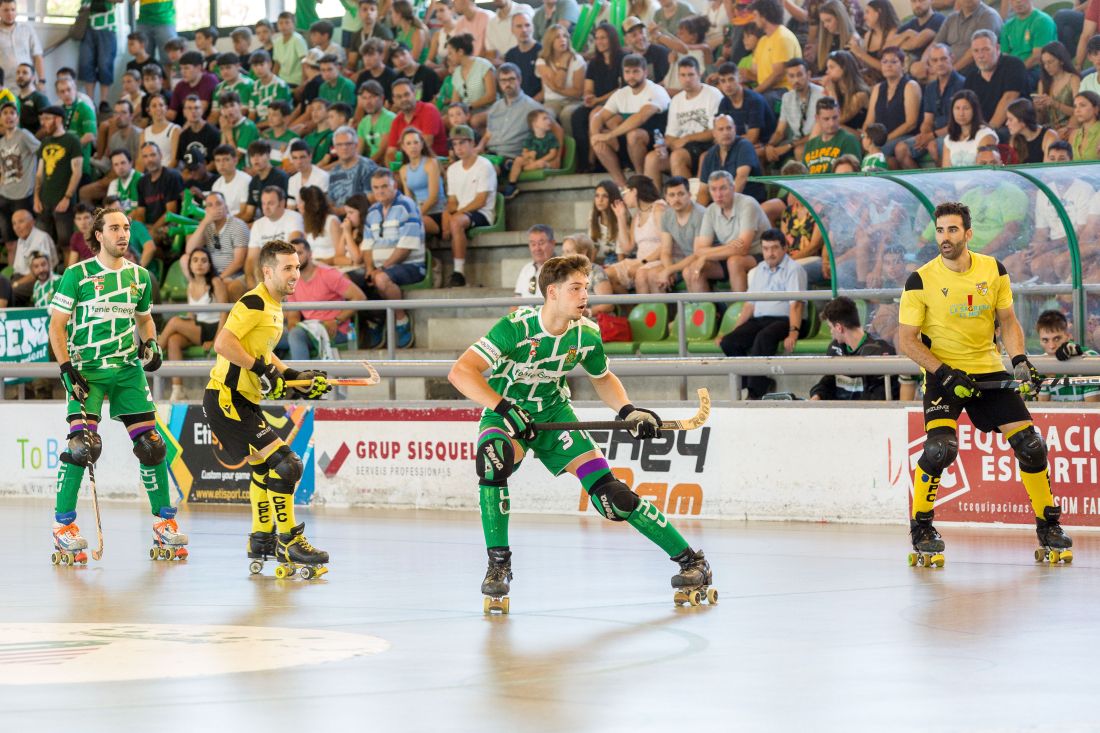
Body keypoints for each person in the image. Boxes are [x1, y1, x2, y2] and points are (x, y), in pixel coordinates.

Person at [447, 253, 715, 608]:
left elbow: (603, 378)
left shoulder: (587, 333)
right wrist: (503, 407)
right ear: (552, 292)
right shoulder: (516, 327)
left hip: (556, 416)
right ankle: (499, 566)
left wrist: (627, 411)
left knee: (611, 498)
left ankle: (693, 562)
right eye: (576, 288)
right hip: (506, 415)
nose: (585, 295)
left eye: (586, 287)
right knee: (493, 461)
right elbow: (461, 372)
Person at [897, 201, 1072, 565]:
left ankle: (1048, 526)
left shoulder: (994, 270)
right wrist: (944, 373)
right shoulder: (920, 279)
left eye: (952, 230)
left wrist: (1020, 360)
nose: (944, 237)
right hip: (943, 374)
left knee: (1032, 446)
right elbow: (907, 340)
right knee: (940, 450)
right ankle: (922, 527)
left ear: (968, 233)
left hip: (989, 370)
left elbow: (1007, 321)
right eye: (940, 230)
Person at [48, 207, 186, 565]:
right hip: (87, 370)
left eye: (126, 228)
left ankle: (164, 523)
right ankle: (63, 528)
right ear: (98, 235)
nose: (123, 234)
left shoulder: (140, 277)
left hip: (126, 370)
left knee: (152, 446)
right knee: (83, 447)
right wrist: (66, 369)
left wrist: (151, 344)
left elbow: (145, 320)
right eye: (114, 228)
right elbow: (57, 327)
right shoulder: (76, 275)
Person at [204, 239, 332, 577]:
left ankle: (262, 539)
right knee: (288, 465)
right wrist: (261, 370)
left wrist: (293, 376)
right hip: (226, 398)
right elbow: (223, 343)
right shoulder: (255, 302)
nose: (295, 274)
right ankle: (289, 540)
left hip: (243, 399)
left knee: (264, 469)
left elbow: (262, 351)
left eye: (298, 267)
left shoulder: (275, 305)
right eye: (288, 268)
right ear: (267, 271)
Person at [719, 228, 807, 397]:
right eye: (766, 249)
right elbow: (749, 306)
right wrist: (734, 330)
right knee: (729, 342)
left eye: (774, 248)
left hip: (786, 320)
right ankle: (756, 382)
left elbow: (796, 305)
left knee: (764, 337)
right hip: (761, 320)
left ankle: (755, 391)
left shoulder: (794, 269)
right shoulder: (759, 269)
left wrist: (793, 332)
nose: (770, 253)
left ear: (784, 248)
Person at [357, 168, 427, 346]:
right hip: (380, 267)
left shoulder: (407, 205)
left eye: (384, 186)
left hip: (410, 265)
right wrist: (370, 268)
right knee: (349, 281)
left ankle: (401, 320)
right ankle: (377, 320)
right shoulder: (372, 211)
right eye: (376, 187)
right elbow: (367, 246)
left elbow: (405, 248)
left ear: (394, 185)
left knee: (381, 279)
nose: (380, 191)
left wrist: (381, 268)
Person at [590, 54, 670, 187]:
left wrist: (610, 135)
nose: (631, 76)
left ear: (645, 72)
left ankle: (640, 179)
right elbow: (599, 117)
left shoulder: (656, 91)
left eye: (635, 71)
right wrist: (595, 136)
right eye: (627, 72)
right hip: (629, 141)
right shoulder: (621, 94)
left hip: (658, 140)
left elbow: (640, 118)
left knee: (634, 134)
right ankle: (623, 186)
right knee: (599, 143)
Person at [159, 247, 228, 401]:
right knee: (173, 340)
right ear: (190, 265)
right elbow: (192, 314)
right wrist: (187, 325)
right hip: (198, 328)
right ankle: (178, 390)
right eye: (195, 260)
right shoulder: (191, 285)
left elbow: (225, 312)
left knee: (174, 321)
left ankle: (154, 351)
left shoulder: (216, 282)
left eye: (204, 261)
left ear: (210, 265)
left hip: (215, 328)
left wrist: (218, 339)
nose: (199, 264)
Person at [282, 238, 366, 359]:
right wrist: (293, 324)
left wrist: (337, 320)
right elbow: (293, 315)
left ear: (310, 254)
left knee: (296, 335)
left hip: (336, 330)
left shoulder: (328, 274)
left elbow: (360, 297)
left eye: (299, 253)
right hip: (308, 329)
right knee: (267, 336)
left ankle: (302, 377)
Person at [643, 57, 720, 188]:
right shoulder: (677, 100)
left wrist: (687, 139)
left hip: (706, 145)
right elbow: (671, 135)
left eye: (691, 74)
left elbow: (716, 132)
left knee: (677, 156)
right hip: (683, 147)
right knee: (652, 158)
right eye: (683, 75)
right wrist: (663, 146)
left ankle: (689, 202)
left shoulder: (713, 94)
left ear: (699, 74)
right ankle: (655, 204)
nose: (687, 79)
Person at [809, 296, 898, 400]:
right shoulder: (835, 348)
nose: (830, 332)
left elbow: (878, 397)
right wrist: (817, 395)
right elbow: (829, 381)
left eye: (830, 327)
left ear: (839, 327)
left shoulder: (879, 351)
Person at [443, 124, 497, 286]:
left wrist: (456, 214)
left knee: (456, 222)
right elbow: (452, 200)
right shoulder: (452, 169)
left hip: (482, 212)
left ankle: (459, 272)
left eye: (462, 143)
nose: (458, 148)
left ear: (472, 143)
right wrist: (447, 214)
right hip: (463, 213)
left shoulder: (484, 165)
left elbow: (481, 200)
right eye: (455, 144)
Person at [896, 43, 965, 168]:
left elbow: (960, 124)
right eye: (935, 60)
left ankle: (942, 185)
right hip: (934, 134)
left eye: (943, 59)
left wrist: (931, 137)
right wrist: (924, 135)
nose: (939, 63)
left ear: (952, 58)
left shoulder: (962, 84)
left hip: (955, 133)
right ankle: (920, 184)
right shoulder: (930, 87)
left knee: (934, 147)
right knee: (901, 149)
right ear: (930, 64)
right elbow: (928, 120)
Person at [572, 22, 624, 172]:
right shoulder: (594, 63)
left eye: (604, 38)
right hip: (598, 102)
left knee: (595, 115)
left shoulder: (623, 58)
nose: (599, 41)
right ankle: (585, 160)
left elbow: (621, 89)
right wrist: (589, 96)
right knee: (577, 116)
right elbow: (588, 87)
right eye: (597, 38)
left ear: (612, 39)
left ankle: (592, 160)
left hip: (617, 102)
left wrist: (598, 100)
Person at [604, 174, 668, 293]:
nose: (623, 198)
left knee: (641, 274)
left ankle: (648, 310)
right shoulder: (637, 215)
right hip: (641, 260)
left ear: (634, 191)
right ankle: (629, 309)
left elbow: (665, 245)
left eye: (624, 193)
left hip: (659, 260)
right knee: (605, 276)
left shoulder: (659, 209)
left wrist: (642, 263)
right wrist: (621, 218)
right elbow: (627, 248)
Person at [643, 175, 704, 292]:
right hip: (684, 261)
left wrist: (669, 270)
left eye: (681, 194)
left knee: (685, 272)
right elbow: (665, 250)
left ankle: (696, 308)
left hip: (705, 259)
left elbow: (698, 253)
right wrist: (668, 269)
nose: (676, 199)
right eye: (672, 195)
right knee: (652, 274)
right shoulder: (666, 215)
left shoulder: (699, 214)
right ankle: (664, 310)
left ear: (689, 195)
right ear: (666, 198)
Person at [33, 106, 82, 253]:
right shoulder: (45, 142)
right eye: (43, 119)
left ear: (58, 119)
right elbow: (39, 173)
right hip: (44, 200)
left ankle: (67, 276)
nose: (44, 123)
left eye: (47, 118)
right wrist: (36, 197)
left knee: (66, 243)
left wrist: (67, 197)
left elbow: (77, 172)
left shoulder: (72, 140)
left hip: (63, 201)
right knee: (42, 244)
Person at [186, 190, 250, 300]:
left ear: (226, 207)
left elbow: (238, 262)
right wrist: (204, 222)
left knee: (229, 285)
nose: (215, 208)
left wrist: (218, 279)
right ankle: (198, 291)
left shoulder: (238, 225)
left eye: (219, 204)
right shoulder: (207, 226)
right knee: (184, 259)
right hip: (212, 273)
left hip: (234, 274)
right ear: (206, 210)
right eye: (210, 205)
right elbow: (189, 251)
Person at [862, 47, 922, 165]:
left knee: (878, 152)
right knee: (870, 151)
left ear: (903, 65)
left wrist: (884, 139)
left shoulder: (910, 86)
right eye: (885, 62)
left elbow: (911, 123)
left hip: (906, 136)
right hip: (881, 140)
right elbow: (869, 121)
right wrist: (865, 137)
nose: (888, 65)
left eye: (893, 62)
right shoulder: (878, 88)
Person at [964, 29, 1029, 135]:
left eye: (985, 50)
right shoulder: (971, 76)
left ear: (997, 48)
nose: (980, 56)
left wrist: (988, 131)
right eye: (976, 51)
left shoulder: (1013, 65)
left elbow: (1009, 98)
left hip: (1013, 127)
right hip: (982, 129)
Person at [764, 59, 825, 165]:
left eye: (799, 75)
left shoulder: (821, 94)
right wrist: (769, 146)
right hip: (795, 141)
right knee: (762, 153)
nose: (796, 80)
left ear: (808, 74)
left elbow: (819, 132)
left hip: (817, 139)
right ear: (787, 78)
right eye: (791, 76)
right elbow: (779, 132)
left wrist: (790, 146)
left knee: (799, 151)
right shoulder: (787, 97)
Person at [697, 113, 766, 205]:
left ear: (735, 129)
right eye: (721, 129)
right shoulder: (710, 155)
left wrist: (726, 207)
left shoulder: (744, 146)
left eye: (729, 128)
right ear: (714, 133)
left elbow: (741, 179)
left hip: (748, 203)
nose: (726, 132)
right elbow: (703, 190)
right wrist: (700, 214)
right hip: (721, 205)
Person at [1034, 309, 1100, 403]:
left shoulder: (1089, 358)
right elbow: (1042, 407)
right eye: (1045, 340)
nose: (1052, 346)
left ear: (1068, 336)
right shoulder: (1041, 364)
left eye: (1057, 339)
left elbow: (1091, 412)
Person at [246, 186, 306, 286]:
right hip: (263, 272)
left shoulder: (294, 217)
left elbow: (291, 251)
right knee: (235, 286)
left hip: (285, 269)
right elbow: (251, 258)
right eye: (263, 203)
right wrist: (250, 280)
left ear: (282, 203)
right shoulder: (257, 224)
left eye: (270, 203)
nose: (266, 207)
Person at [132, 141, 183, 256]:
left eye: (153, 155)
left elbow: (171, 212)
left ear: (161, 156)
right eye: (145, 156)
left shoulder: (171, 176)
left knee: (147, 240)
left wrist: (152, 230)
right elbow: (140, 212)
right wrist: (140, 229)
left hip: (170, 226)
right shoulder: (142, 182)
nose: (149, 159)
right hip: (150, 226)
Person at [0, 99, 38, 248]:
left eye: (12, 113)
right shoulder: (1, 142)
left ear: (17, 117)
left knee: (27, 240)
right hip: (5, 195)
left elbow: (41, 153)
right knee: (10, 243)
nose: (9, 116)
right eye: (5, 113)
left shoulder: (24, 135)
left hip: (23, 194)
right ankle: (13, 271)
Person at [931, 0, 1003, 76]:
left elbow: (977, 52)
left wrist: (951, 71)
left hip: (973, 69)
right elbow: (935, 44)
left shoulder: (988, 16)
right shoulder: (952, 18)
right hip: (947, 67)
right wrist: (928, 65)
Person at [716, 63, 776, 151]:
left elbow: (752, 138)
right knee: (706, 156)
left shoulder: (754, 100)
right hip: (737, 145)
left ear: (739, 79)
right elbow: (718, 134)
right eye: (723, 81)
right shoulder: (724, 102)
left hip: (764, 146)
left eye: (731, 79)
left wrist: (726, 139)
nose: (727, 85)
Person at [535, 23, 585, 125]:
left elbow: (578, 92)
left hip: (574, 101)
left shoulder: (577, 60)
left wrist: (555, 89)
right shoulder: (542, 61)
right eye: (557, 37)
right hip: (551, 101)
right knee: (545, 115)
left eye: (565, 36)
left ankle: (571, 141)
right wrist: (563, 63)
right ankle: (554, 141)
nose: (562, 39)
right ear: (550, 42)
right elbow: (559, 83)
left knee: (566, 114)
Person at [397, 127, 445, 236]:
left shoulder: (431, 163)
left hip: (437, 212)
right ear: (403, 147)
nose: (413, 146)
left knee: (410, 225)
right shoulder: (403, 170)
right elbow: (409, 199)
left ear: (422, 144)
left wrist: (415, 215)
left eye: (416, 142)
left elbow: (433, 197)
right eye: (408, 143)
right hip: (419, 212)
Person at [1000, 0, 1057, 85]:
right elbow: (1005, 55)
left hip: (1038, 69)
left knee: (1013, 83)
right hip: (1014, 70)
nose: (1018, 2)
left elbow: (1037, 58)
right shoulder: (1007, 26)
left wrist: (1014, 72)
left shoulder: (1042, 21)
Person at [10, 208, 57, 305]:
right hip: (19, 277)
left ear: (32, 222)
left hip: (38, 278)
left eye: (21, 222)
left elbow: (40, 270)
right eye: (14, 223)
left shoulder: (41, 238)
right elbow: (17, 269)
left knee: (10, 293)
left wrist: (16, 284)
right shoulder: (20, 240)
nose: (17, 227)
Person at [803, 97, 861, 173]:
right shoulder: (810, 145)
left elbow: (852, 175)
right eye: (826, 119)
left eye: (835, 117)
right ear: (817, 118)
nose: (832, 123)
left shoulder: (849, 140)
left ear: (839, 114)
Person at [328, 125, 379, 212]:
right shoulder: (334, 172)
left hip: (363, 217)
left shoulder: (367, 167)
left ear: (356, 145)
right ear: (335, 148)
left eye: (348, 144)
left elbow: (372, 198)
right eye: (339, 145)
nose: (344, 148)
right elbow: (331, 200)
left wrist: (341, 211)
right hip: (339, 220)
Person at [942, 89, 998, 167]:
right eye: (957, 108)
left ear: (974, 111)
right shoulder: (948, 139)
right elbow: (946, 171)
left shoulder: (985, 134)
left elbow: (986, 167)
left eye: (966, 108)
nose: (961, 113)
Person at [1034, 41, 1080, 131]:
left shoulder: (1073, 79)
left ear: (1061, 61)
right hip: (1050, 128)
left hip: (1070, 127)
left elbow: (1079, 111)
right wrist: (1038, 109)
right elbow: (1041, 120)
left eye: (1050, 62)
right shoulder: (1042, 83)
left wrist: (1055, 103)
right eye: (1044, 63)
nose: (1047, 66)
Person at [0, 0, 45, 88]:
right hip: (5, 85)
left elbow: (38, 55)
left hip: (28, 83)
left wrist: (41, 80)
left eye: (13, 10)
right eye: (6, 10)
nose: (10, 13)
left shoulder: (27, 29)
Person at [1006, 97, 1058, 163]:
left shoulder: (1050, 136)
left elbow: (1048, 169)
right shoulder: (1015, 139)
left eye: (1010, 120)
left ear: (1023, 121)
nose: (1007, 123)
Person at [505, 13, 543, 100]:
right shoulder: (510, 55)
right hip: (517, 103)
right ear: (512, 30)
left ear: (533, 28)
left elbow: (547, 89)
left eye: (527, 25)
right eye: (519, 26)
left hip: (538, 104)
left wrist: (528, 105)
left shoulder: (543, 52)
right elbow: (509, 87)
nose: (524, 30)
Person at [512, 223, 556, 298]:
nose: (537, 249)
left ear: (552, 243)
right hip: (525, 309)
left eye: (541, 243)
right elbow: (516, 301)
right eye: (533, 244)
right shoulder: (526, 269)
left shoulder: (561, 268)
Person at [287, 140, 329, 210]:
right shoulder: (292, 180)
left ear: (310, 157)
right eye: (295, 158)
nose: (299, 162)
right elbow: (290, 207)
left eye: (302, 157)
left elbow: (321, 207)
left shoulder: (322, 176)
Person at [588, 179, 623, 263]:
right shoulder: (593, 216)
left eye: (605, 196)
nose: (600, 200)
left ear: (613, 198)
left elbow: (621, 253)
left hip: (625, 258)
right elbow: (594, 245)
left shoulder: (620, 215)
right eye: (597, 196)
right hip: (609, 259)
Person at [273, 12, 309, 88]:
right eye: (280, 23)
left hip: (296, 81)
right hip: (282, 81)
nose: (284, 26)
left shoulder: (298, 40)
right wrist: (272, 81)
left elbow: (305, 63)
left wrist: (302, 84)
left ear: (293, 24)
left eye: (287, 23)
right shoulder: (277, 42)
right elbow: (277, 64)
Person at [1070, 91, 1100, 160]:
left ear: (1096, 109)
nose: (1077, 110)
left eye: (1082, 105)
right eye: (1075, 106)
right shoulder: (1073, 135)